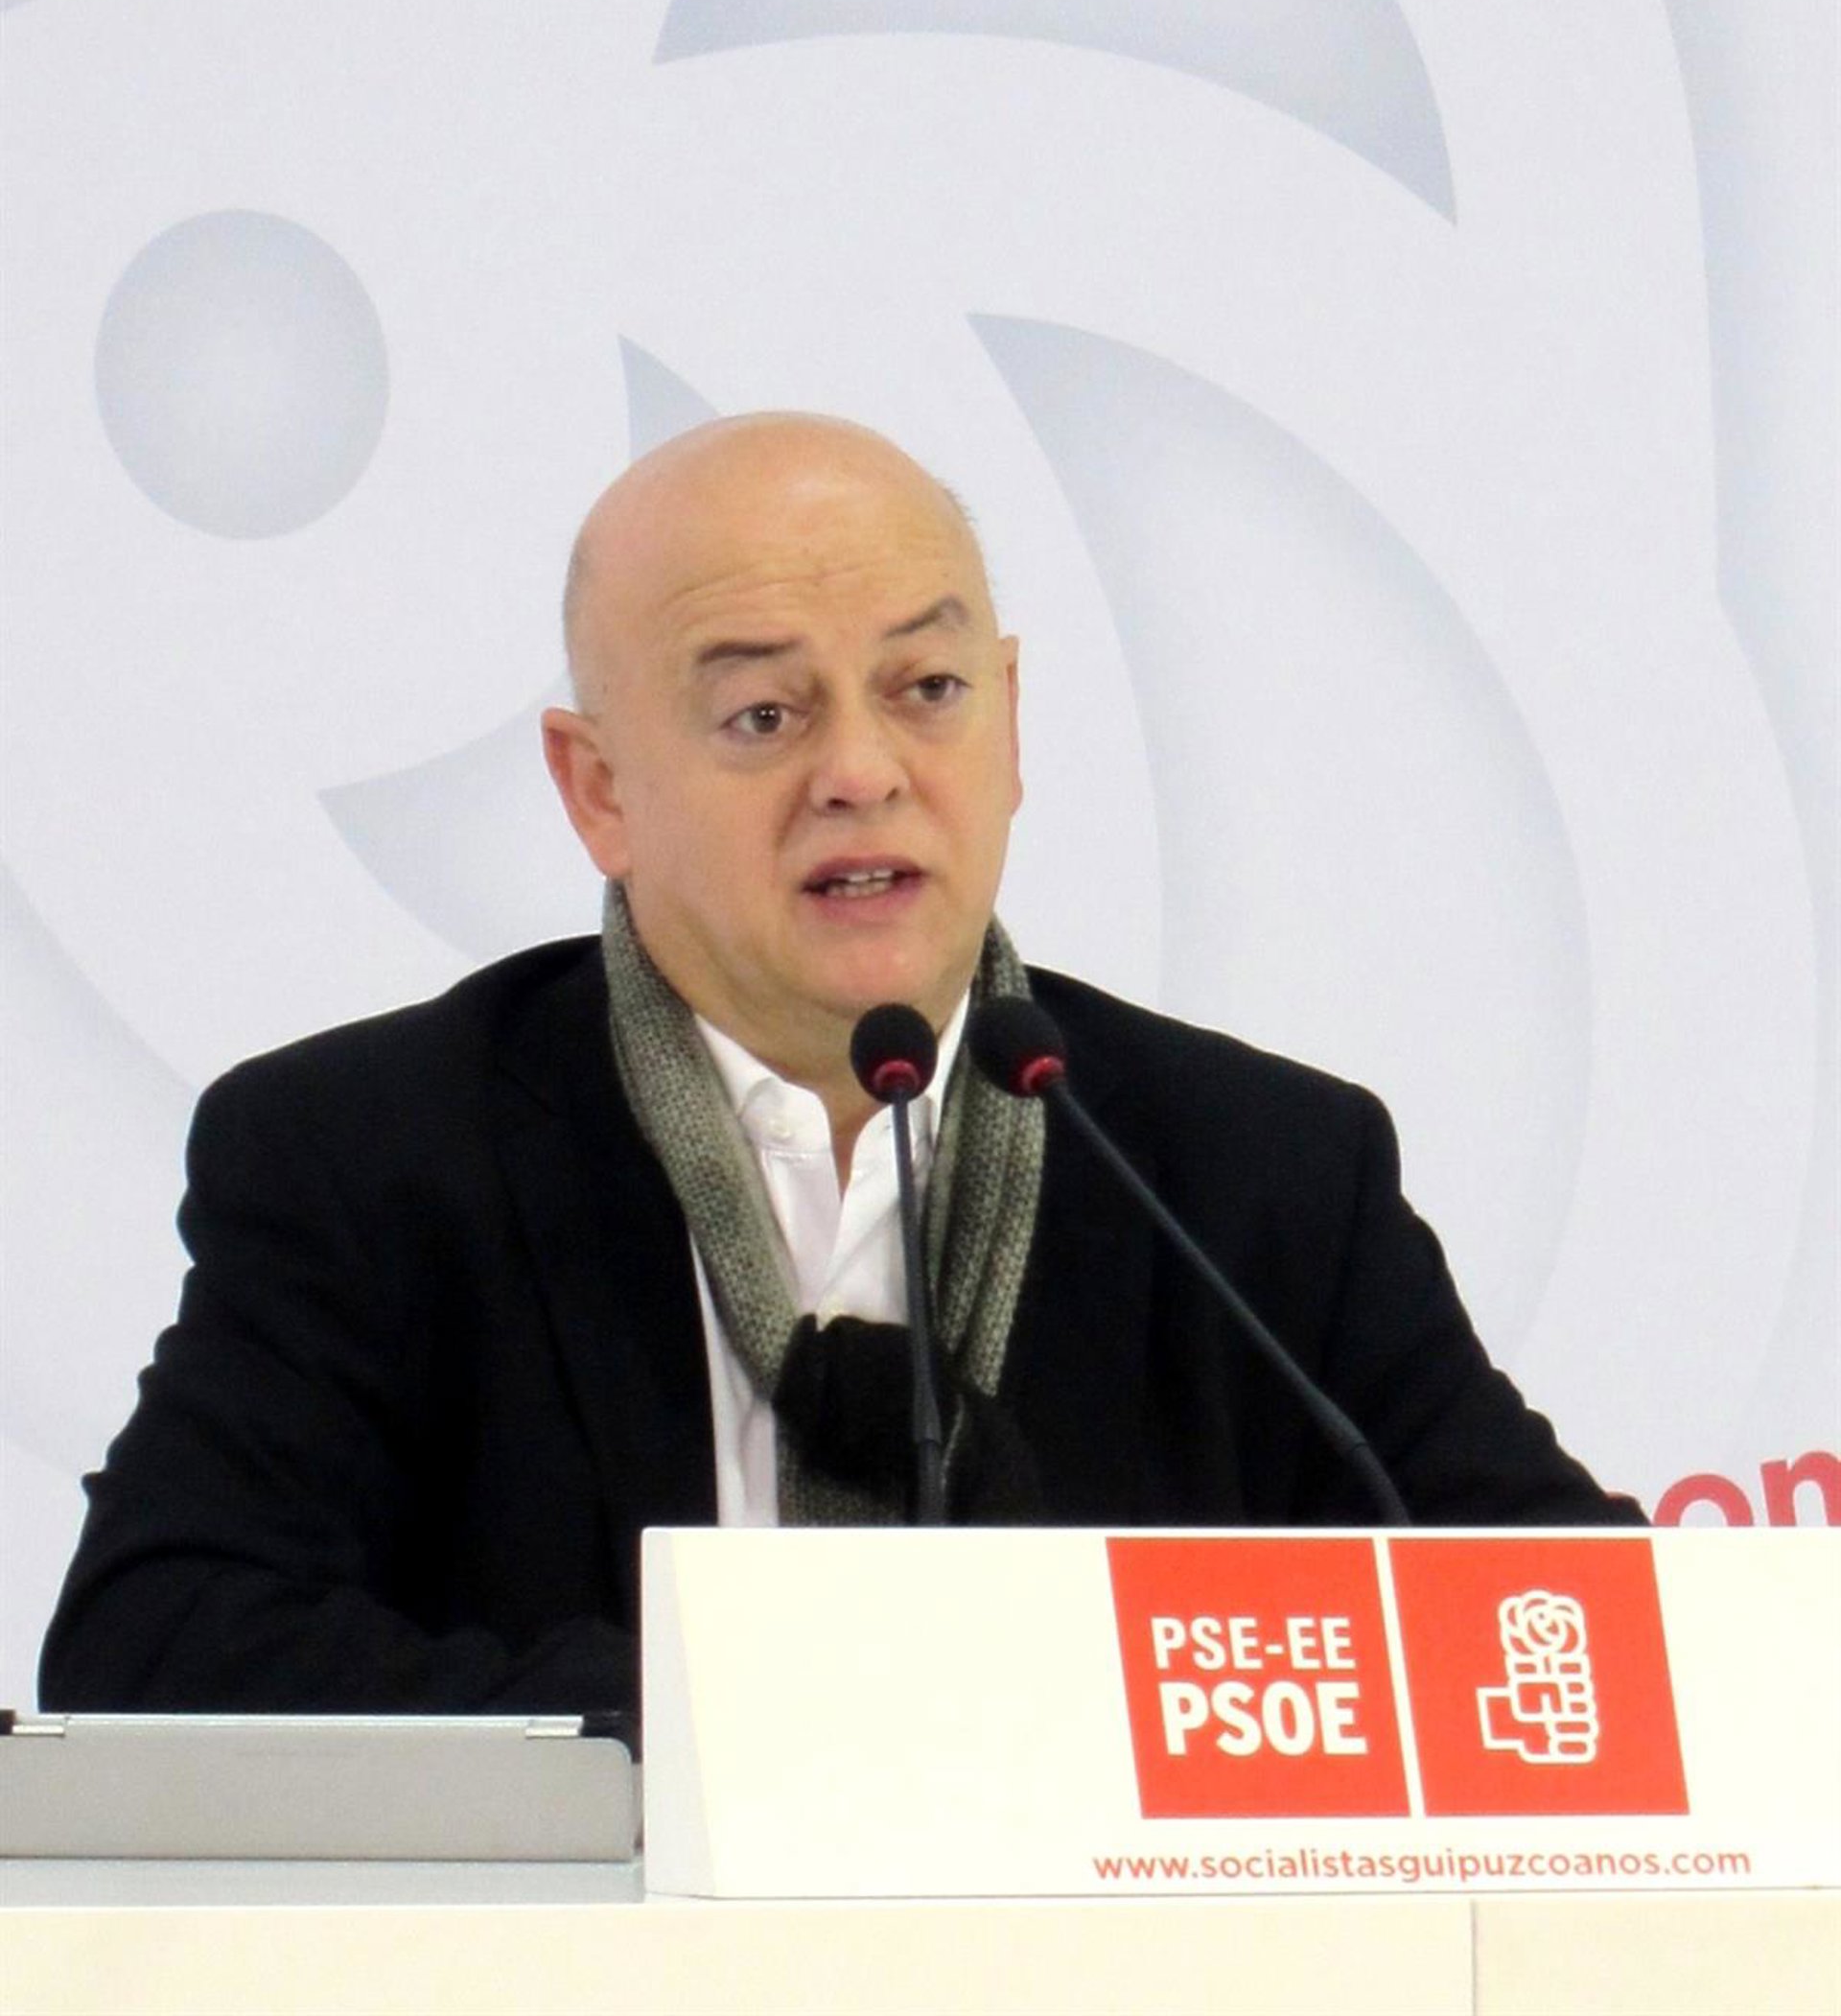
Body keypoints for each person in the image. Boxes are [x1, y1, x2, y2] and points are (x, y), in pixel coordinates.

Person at [39, 415, 1640, 1716]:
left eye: (927, 691)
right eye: (762, 716)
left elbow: (1586, 1633)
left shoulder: (1253, 1174)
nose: (862, 772)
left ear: (1010, 723)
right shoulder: (374, 1159)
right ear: (598, 789)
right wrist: (765, 1719)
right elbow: (156, 1649)